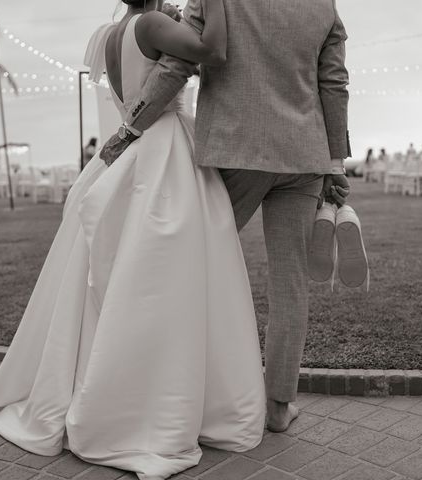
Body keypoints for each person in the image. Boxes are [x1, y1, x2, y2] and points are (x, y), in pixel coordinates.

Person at [0, 1, 273, 478]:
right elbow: (213, 51)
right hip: (165, 153)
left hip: (133, 148)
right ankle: (160, 403)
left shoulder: (110, 33)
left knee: (127, 275)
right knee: (168, 278)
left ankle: (130, 389)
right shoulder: (155, 24)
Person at [100, 0, 350, 435]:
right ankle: (278, 407)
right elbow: (334, 84)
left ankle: (183, 394)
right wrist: (335, 163)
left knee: (194, 267)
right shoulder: (322, 4)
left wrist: (131, 127)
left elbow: (176, 65)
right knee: (289, 285)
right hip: (303, 158)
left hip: (236, 153)